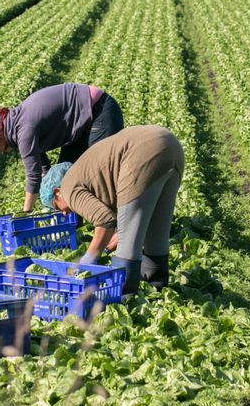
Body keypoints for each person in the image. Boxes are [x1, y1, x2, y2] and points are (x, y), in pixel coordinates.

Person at [38, 125, 185, 295]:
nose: (64, 212)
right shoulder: (84, 173)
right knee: (157, 231)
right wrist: (118, 235)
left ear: (57, 192)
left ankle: (127, 297)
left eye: (57, 207)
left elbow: (105, 221)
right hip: (171, 145)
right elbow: (117, 219)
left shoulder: (68, 187)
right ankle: (157, 289)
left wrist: (90, 257)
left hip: (141, 154)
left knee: (128, 249)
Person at [0, 83, 124, 212]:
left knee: (100, 175)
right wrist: (48, 182)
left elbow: (33, 176)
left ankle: (115, 228)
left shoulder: (23, 130)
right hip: (80, 124)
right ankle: (75, 231)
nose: (0, 151)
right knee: (65, 180)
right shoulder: (17, 124)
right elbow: (41, 167)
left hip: (99, 110)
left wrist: (25, 214)